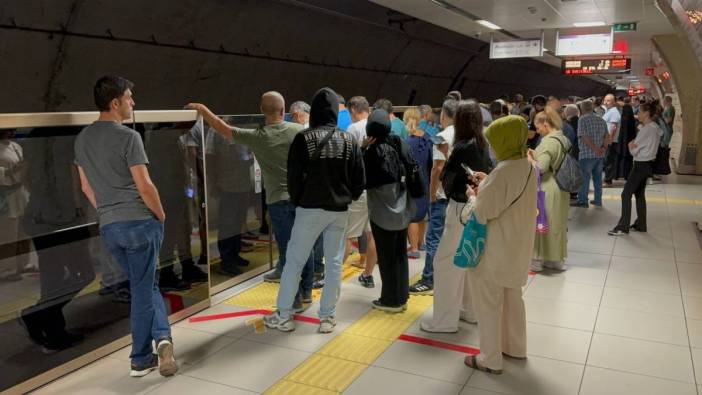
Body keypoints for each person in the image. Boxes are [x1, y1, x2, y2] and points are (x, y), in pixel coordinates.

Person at [75, 76, 178, 377]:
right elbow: (145, 186)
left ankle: (163, 339)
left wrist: (108, 212)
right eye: (130, 98)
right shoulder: (128, 137)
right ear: (115, 102)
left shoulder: (81, 140)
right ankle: (140, 357)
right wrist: (160, 215)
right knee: (144, 290)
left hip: (110, 228)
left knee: (144, 286)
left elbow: (85, 187)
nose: (133, 103)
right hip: (140, 223)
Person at [186, 92, 316, 305]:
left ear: (262, 111)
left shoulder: (258, 136)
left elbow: (222, 127)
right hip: (302, 200)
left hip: (278, 202)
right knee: (306, 246)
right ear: (284, 111)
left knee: (288, 251)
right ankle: (307, 291)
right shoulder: (299, 131)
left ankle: (294, 301)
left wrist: (202, 109)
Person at [263, 87, 365, 333]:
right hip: (338, 211)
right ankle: (327, 317)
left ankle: (284, 315)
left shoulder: (303, 138)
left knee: (294, 263)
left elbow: (294, 178)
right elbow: (359, 181)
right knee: (333, 265)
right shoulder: (349, 140)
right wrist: (346, 197)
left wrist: (300, 201)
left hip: (308, 210)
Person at [462, 115, 537, 375]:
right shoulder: (527, 164)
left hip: (495, 249)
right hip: (519, 246)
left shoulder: (503, 171)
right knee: (513, 298)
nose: (491, 147)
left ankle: (490, 359)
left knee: (489, 304)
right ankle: (515, 347)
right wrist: (488, 181)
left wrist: (474, 195)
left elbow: (482, 212)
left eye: (493, 142)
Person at [420, 100, 492, 333]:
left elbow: (446, 178)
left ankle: (443, 321)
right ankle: (468, 311)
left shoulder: (461, 147)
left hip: (460, 207)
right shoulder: (482, 143)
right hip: (476, 206)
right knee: (469, 260)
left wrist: (445, 157)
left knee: (446, 263)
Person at [363, 109, 416, 311]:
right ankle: (402, 295)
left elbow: (360, 179)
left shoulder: (372, 152)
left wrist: (361, 149)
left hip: (382, 213)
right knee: (400, 254)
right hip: (402, 209)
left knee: (386, 258)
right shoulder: (399, 143)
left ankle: (390, 300)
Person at [408, 99, 457, 295]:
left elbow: (437, 167)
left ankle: (429, 278)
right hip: (457, 194)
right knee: (451, 238)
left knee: (434, 238)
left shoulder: (442, 136)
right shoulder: (463, 133)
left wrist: (432, 193)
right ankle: (448, 275)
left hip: (442, 194)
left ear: (444, 115)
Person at [608, 101, 663, 236]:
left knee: (625, 194)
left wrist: (630, 145)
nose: (637, 113)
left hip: (640, 164)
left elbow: (634, 150)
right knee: (639, 194)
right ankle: (641, 224)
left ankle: (623, 226)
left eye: (640, 111)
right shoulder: (655, 127)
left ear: (646, 113)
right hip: (648, 165)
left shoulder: (646, 130)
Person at [529, 107, 571, 272]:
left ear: (546, 124)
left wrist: (530, 158)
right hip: (562, 186)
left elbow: (541, 168)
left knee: (542, 224)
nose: (537, 130)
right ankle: (555, 260)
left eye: (538, 126)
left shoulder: (547, 142)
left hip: (547, 188)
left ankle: (537, 260)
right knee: (557, 225)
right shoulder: (563, 138)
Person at [344, 96, 378, 288]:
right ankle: (368, 275)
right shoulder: (378, 126)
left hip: (358, 189)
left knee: (347, 235)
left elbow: (349, 160)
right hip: (375, 189)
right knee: (372, 235)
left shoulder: (353, 129)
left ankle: (331, 277)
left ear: (354, 110)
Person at [404, 107, 433, 260]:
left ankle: (413, 248)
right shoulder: (427, 138)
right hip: (426, 181)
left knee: (412, 217)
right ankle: (420, 243)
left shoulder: (407, 142)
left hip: (412, 183)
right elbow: (431, 163)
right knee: (422, 216)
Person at [572, 100, 608, 208]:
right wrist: (603, 148)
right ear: (592, 107)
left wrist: (595, 148)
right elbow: (607, 136)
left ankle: (583, 201)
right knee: (598, 179)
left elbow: (583, 136)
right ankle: (597, 200)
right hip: (600, 156)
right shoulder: (601, 119)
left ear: (582, 109)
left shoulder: (582, 119)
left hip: (586, 155)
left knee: (584, 179)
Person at [602, 94, 621, 187]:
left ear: (613, 102)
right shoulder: (609, 111)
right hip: (608, 140)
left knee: (608, 160)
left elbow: (614, 127)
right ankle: (607, 179)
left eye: (608, 100)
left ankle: (608, 181)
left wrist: (609, 139)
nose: (606, 102)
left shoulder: (614, 112)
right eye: (605, 100)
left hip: (611, 141)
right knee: (606, 160)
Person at [615, 100, 637, 180]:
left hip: (622, 143)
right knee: (629, 159)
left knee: (620, 159)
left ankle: (619, 174)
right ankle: (627, 175)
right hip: (630, 142)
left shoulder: (622, 119)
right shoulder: (632, 120)